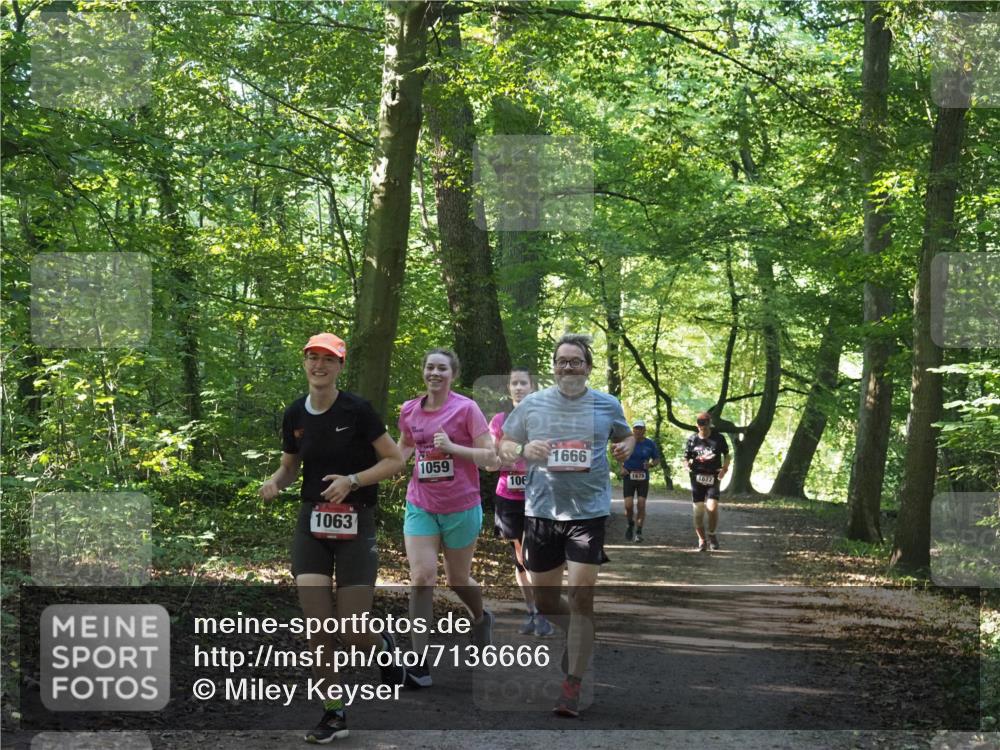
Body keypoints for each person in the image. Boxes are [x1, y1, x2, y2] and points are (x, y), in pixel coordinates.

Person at [260, 332, 407, 743]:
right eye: (312, 357)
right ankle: (334, 712)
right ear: (304, 363)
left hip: (355, 524)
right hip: (312, 525)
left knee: (352, 629)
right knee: (317, 628)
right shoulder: (294, 414)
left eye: (328, 359)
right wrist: (274, 482)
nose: (319, 365)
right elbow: (289, 468)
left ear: (340, 366)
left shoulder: (357, 410)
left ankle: (384, 644)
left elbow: (394, 460)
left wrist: (353, 481)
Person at [499, 333, 634, 718]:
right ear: (554, 366)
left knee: (582, 596)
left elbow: (624, 437)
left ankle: (572, 683)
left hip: (588, 513)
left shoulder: (606, 405)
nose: (569, 366)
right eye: (562, 360)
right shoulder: (534, 404)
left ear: (588, 367)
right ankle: (580, 635)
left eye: (576, 361)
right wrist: (523, 450)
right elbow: (505, 444)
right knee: (545, 601)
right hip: (542, 512)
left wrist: (626, 447)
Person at [397, 348, 498, 688]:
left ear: (453, 374)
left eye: (442, 368)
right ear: (423, 372)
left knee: (458, 580)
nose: (434, 373)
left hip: (461, 506)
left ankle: (481, 619)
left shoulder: (466, 409)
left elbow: (490, 458)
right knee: (422, 577)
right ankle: (419, 663)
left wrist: (455, 448)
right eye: (429, 367)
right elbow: (402, 451)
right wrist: (363, 473)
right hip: (421, 503)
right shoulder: (410, 410)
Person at [489, 367, 554, 637]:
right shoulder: (499, 420)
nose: (518, 387)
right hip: (508, 494)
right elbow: (492, 455)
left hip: (540, 494)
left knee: (533, 555)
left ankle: (543, 612)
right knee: (519, 557)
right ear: (509, 389)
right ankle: (532, 611)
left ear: (531, 387)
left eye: (523, 383)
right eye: (514, 383)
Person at [682, 411, 731, 551]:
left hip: (713, 476)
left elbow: (727, 456)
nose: (702, 428)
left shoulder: (719, 439)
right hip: (697, 477)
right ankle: (702, 540)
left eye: (705, 425)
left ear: (710, 424)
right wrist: (686, 466)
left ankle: (712, 534)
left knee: (712, 507)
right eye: (700, 425)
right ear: (697, 425)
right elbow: (686, 458)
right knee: (698, 511)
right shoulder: (692, 440)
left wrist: (724, 469)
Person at [618, 419, 661, 543]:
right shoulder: (627, 442)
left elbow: (657, 458)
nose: (638, 430)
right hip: (629, 476)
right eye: (636, 428)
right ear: (633, 430)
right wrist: (621, 467)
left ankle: (639, 531)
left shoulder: (650, 444)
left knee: (641, 505)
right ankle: (630, 524)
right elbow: (618, 454)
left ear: (644, 430)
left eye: (640, 428)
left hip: (643, 477)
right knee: (628, 505)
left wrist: (651, 465)